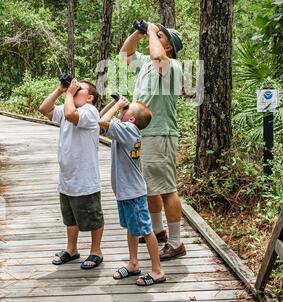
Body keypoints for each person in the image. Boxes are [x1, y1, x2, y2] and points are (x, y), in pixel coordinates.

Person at [120, 22, 186, 260]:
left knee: (167, 189)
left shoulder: (171, 66)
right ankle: (158, 232)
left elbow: (157, 56)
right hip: (143, 134)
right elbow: (125, 54)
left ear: (169, 48)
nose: (154, 38)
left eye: (160, 37)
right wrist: (138, 32)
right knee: (149, 186)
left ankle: (176, 242)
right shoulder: (147, 64)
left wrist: (150, 31)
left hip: (160, 134)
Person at [99, 96, 166, 286]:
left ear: (132, 119)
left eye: (127, 109)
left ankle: (157, 270)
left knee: (145, 230)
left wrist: (118, 105)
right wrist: (115, 104)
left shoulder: (128, 130)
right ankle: (133, 263)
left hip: (133, 192)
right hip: (126, 191)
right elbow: (101, 117)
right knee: (132, 228)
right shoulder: (126, 129)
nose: (123, 108)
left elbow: (102, 121)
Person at [39, 78, 104, 269]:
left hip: (85, 179)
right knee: (70, 218)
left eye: (79, 89)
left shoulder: (89, 111)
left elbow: (70, 115)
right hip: (67, 178)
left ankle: (96, 251)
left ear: (90, 98)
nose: (74, 90)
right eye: (73, 89)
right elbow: (44, 109)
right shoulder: (69, 106)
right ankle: (72, 249)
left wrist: (68, 94)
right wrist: (61, 90)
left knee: (93, 217)